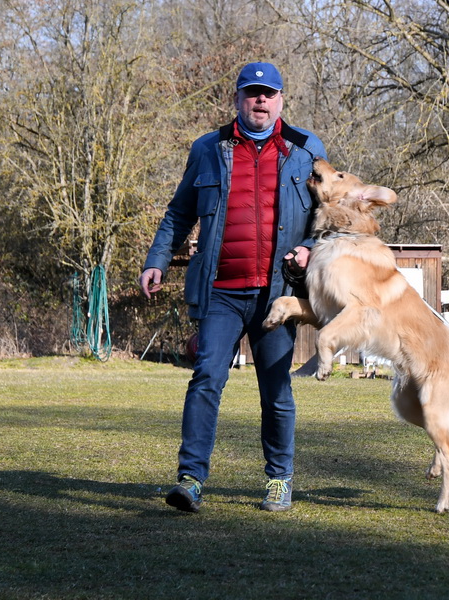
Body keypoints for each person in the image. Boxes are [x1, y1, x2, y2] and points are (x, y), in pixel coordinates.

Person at [140, 62, 326, 513]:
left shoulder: (305, 150)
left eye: (268, 93)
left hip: (277, 293)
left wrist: (308, 248)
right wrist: (157, 260)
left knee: (276, 390)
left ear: (281, 99)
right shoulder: (207, 148)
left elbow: (329, 216)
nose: (259, 101)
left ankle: (279, 480)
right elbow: (179, 212)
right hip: (220, 290)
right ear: (238, 98)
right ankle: (190, 480)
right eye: (251, 93)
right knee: (205, 379)